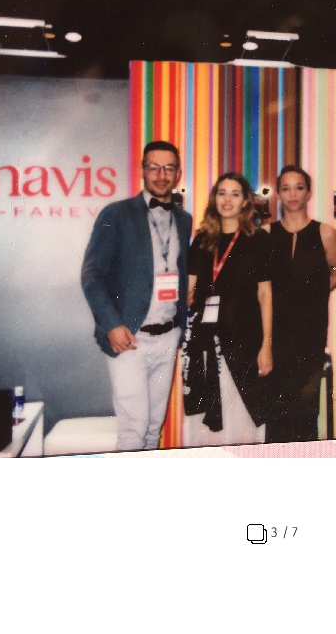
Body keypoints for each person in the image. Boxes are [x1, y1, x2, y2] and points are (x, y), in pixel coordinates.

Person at [80, 141, 192, 452]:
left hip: (168, 337)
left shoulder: (184, 219)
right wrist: (111, 325)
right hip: (129, 337)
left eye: (169, 168)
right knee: (133, 429)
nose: (161, 175)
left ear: (178, 174)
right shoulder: (116, 214)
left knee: (153, 428)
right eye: (154, 167)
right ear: (143, 170)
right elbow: (91, 275)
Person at [182, 173, 273, 446]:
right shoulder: (202, 239)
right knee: (209, 423)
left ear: (245, 202)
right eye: (222, 193)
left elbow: (265, 294)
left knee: (243, 418)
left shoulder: (258, 240)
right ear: (214, 198)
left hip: (244, 343)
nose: (227, 199)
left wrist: (266, 346)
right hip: (207, 342)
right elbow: (189, 288)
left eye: (235, 194)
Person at [262, 166, 336, 442]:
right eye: (286, 188)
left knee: (305, 414)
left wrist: (311, 296)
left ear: (309, 193)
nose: (292, 194)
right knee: (275, 416)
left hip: (310, 336)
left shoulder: (326, 234)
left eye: (299, 187)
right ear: (278, 194)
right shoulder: (265, 234)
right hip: (273, 338)